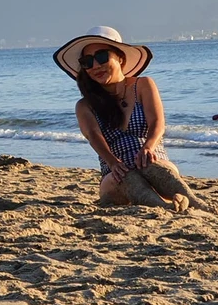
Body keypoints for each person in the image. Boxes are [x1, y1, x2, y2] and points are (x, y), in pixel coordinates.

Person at [54, 26, 209, 211]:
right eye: (87, 62)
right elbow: (94, 136)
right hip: (115, 172)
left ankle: (194, 202)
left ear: (120, 57)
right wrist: (113, 162)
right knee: (127, 176)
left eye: (102, 57)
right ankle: (166, 207)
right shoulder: (85, 105)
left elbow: (157, 123)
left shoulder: (143, 85)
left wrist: (148, 148)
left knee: (152, 167)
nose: (95, 66)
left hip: (153, 159)